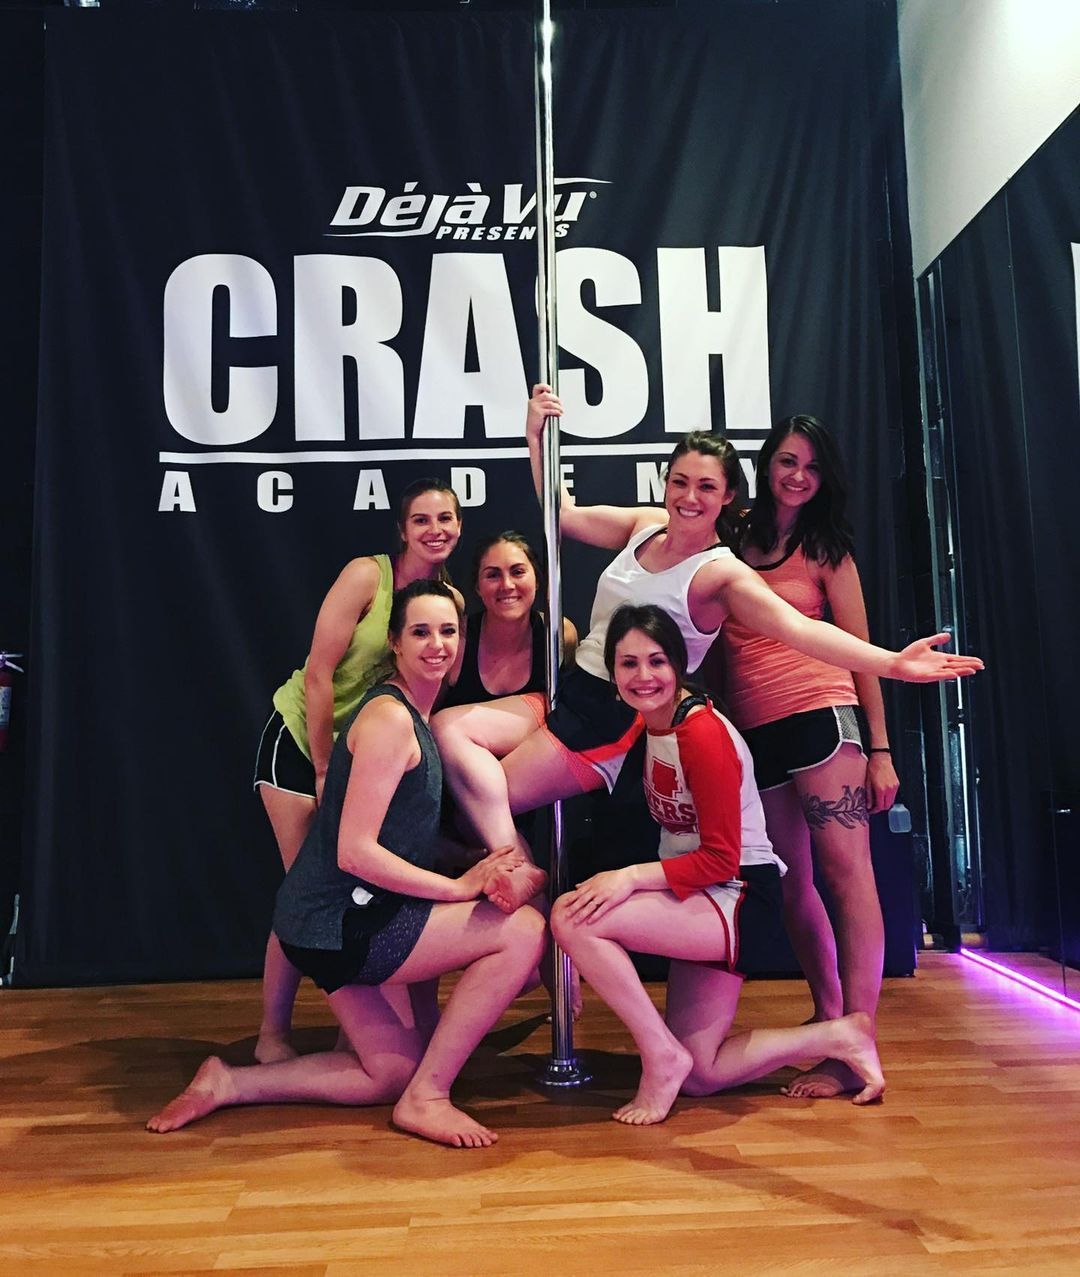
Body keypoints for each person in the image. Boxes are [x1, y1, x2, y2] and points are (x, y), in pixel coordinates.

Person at [433, 386, 982, 911]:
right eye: (680, 482)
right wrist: (535, 436)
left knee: (485, 794)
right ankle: (518, 868)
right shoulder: (645, 527)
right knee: (449, 732)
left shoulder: (722, 576)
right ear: (666, 482)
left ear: (728, 498)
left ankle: (516, 878)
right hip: (573, 685)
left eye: (706, 488)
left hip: (614, 716)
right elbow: (563, 516)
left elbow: (802, 629)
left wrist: (892, 662)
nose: (689, 498)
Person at [148, 581, 546, 1149]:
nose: (437, 644)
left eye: (449, 631)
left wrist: (473, 862)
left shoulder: (411, 711)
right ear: (395, 643)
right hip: (339, 922)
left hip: (323, 919)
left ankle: (229, 1082)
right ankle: (428, 1098)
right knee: (525, 931)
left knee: (386, 1072)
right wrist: (458, 887)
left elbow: (390, 833)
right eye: (421, 632)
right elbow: (354, 850)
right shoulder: (391, 721)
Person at [550, 604, 884, 1125]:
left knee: (572, 916)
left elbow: (721, 857)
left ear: (679, 665)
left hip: (737, 896)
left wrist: (631, 877)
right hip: (700, 897)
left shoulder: (700, 730)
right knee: (701, 1075)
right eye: (628, 663)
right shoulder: (649, 724)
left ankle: (659, 1057)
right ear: (611, 673)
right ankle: (838, 1033)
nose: (643, 676)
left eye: (656, 662)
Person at [714, 414, 899, 1097]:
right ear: (767, 464)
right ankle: (830, 1024)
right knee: (791, 884)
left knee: (848, 876)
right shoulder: (732, 538)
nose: (798, 475)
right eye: (788, 461)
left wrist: (880, 750)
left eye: (812, 467)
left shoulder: (827, 549)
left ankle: (860, 1035)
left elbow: (866, 653)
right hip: (755, 732)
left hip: (825, 720)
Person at [251, 478, 463, 1064]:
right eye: (422, 519)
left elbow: (431, 697)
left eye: (446, 518)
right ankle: (273, 1034)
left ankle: (357, 1033)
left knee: (353, 894)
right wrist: (323, 767)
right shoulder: (367, 576)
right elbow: (319, 674)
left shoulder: (447, 601)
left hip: (361, 753)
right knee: (308, 891)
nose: (435, 529)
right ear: (403, 529)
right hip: (301, 741)